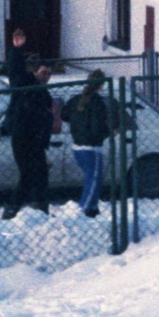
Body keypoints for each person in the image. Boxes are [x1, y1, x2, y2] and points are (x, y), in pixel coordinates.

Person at [1, 29, 53, 218]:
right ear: (35, 72)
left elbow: (45, 123)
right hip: (22, 138)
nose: (46, 77)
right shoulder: (25, 84)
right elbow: (14, 71)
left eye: (49, 74)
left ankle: (41, 209)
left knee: (41, 175)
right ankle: (12, 209)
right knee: (28, 174)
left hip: (36, 142)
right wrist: (16, 50)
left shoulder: (46, 96)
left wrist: (44, 148)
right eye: (43, 73)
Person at [65, 69, 112, 218]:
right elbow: (98, 127)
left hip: (77, 147)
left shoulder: (75, 99)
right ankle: (84, 209)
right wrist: (109, 132)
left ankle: (92, 208)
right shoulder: (98, 103)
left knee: (90, 178)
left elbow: (64, 114)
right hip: (92, 148)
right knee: (94, 181)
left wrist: (77, 124)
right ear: (101, 85)